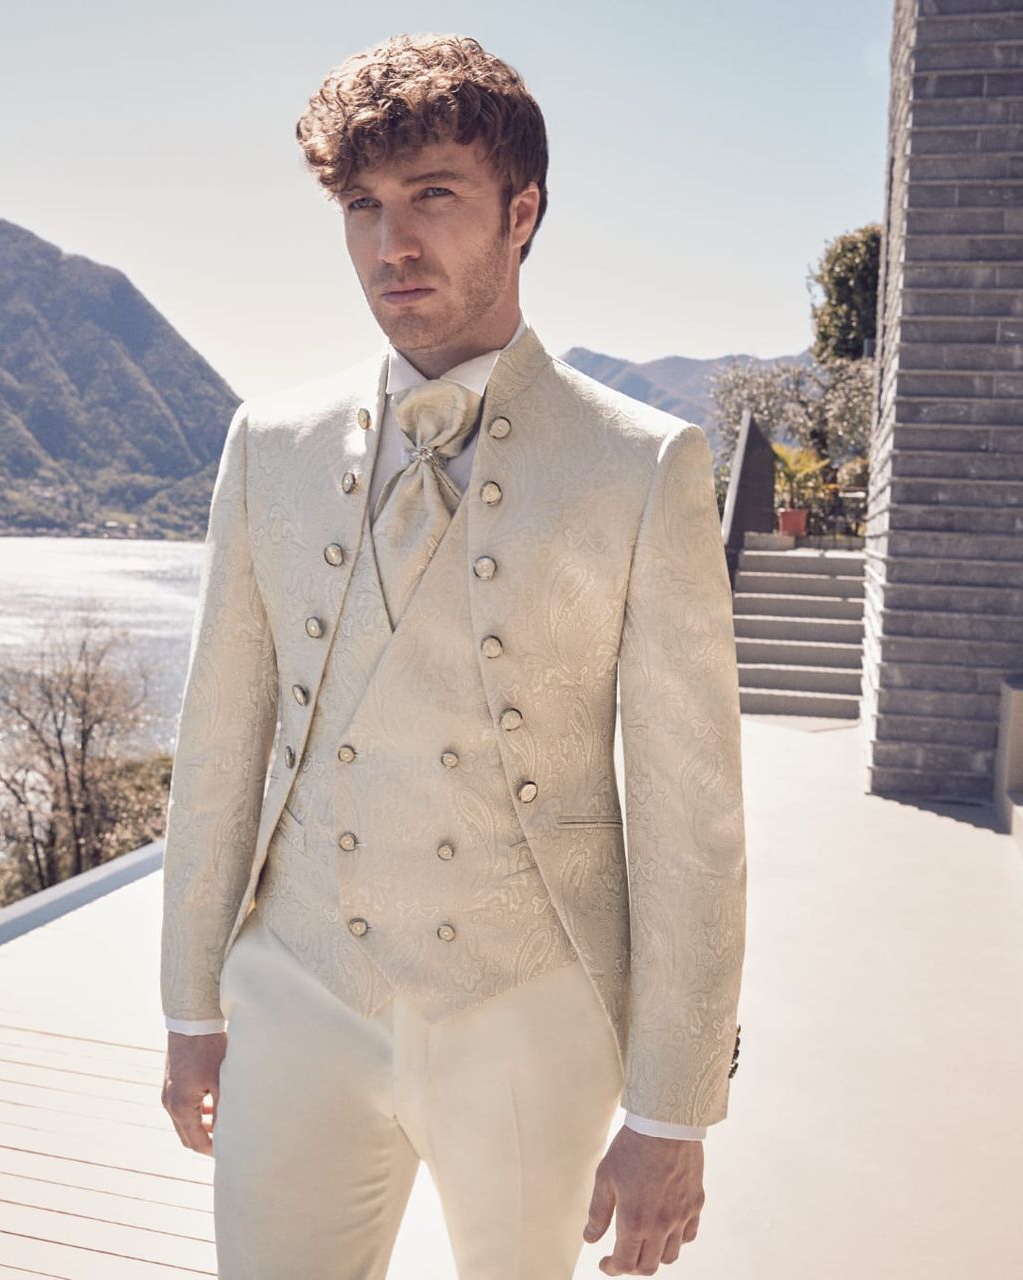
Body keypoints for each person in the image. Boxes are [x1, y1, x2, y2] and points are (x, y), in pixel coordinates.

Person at [158, 31, 747, 1279]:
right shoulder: (268, 444)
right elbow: (217, 743)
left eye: (433, 196)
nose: (393, 245)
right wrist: (189, 1003)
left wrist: (675, 1107)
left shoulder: (644, 465)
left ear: (521, 212)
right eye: (363, 207)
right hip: (299, 988)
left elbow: (692, 813)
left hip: (530, 1004)